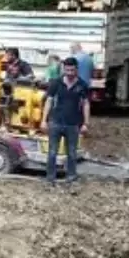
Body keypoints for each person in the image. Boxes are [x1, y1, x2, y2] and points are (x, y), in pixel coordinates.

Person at [41, 56, 90, 185]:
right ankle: (50, 179)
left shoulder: (82, 85)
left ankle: (71, 178)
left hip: (73, 124)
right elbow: (49, 100)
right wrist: (44, 120)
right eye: (67, 70)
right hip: (56, 122)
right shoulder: (56, 83)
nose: (69, 73)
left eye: (72, 70)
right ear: (64, 69)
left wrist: (86, 123)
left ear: (76, 70)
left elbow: (85, 104)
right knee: (52, 152)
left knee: (72, 153)